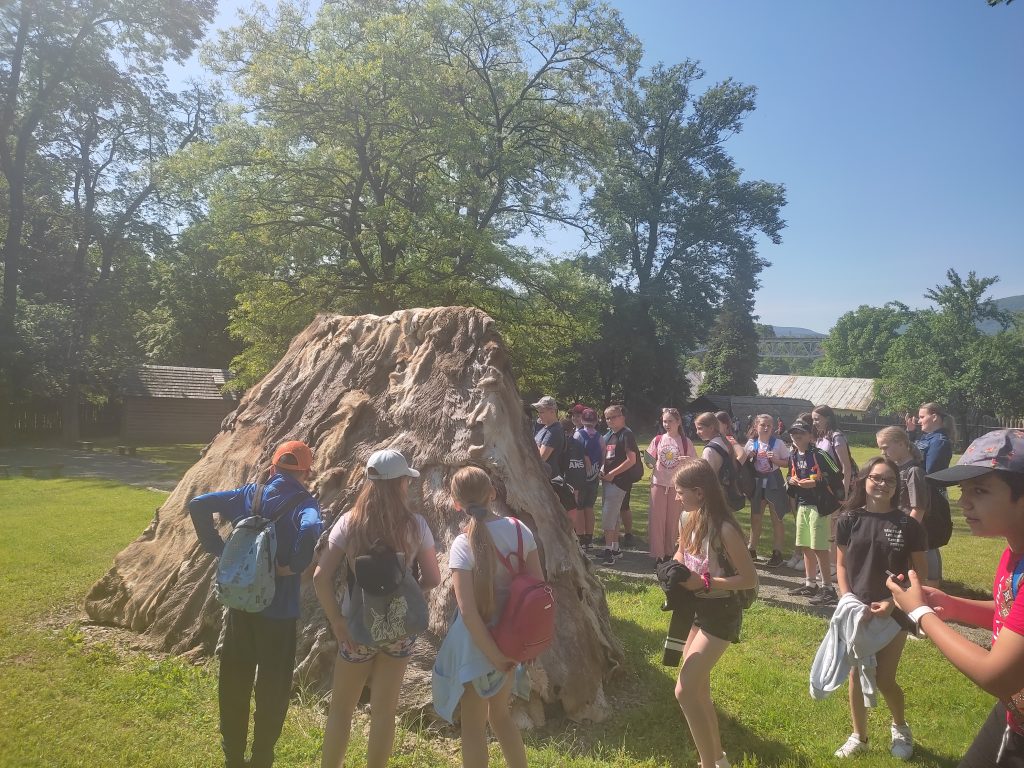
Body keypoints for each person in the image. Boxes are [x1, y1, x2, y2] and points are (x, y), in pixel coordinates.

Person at [886, 429, 1024, 767]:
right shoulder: (1014, 551)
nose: (963, 502)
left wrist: (922, 614)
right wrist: (954, 606)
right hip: (1014, 715)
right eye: (963, 490)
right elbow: (1011, 614)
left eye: (980, 490)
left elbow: (997, 676)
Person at [188, 440, 324, 768]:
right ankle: (262, 756)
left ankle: (233, 756)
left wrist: (219, 549)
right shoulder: (305, 503)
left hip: (241, 606)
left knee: (234, 678)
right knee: (273, 686)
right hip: (280, 613)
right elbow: (311, 527)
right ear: (306, 473)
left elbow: (198, 504)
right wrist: (294, 564)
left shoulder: (249, 494)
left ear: (273, 468)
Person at [313, 450, 441, 768]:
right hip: (398, 630)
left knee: (341, 710)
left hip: (355, 629)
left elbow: (320, 577)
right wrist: (409, 591)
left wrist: (337, 621)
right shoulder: (416, 525)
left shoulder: (350, 523)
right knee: (384, 712)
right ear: (401, 483)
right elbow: (433, 578)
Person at [432, 466, 541, 768]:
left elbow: (468, 612)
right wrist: (516, 651)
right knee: (501, 716)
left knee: (473, 729)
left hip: (476, 647)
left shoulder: (462, 544)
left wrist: (492, 655)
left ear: (456, 503)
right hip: (512, 641)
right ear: (492, 493)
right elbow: (538, 588)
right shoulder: (520, 530)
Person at [833, 456, 927, 759]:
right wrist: (848, 599)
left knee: (885, 677)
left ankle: (900, 728)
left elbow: (920, 574)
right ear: (864, 480)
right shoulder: (848, 519)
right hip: (857, 610)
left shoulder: (908, 525)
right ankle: (859, 736)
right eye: (876, 478)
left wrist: (891, 602)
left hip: (895, 612)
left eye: (890, 480)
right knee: (855, 674)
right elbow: (841, 565)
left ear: (897, 486)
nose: (883, 484)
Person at [670, 457, 758, 768]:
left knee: (684, 691)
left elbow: (749, 579)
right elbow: (681, 551)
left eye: (680, 492)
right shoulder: (687, 517)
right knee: (698, 691)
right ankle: (718, 759)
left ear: (699, 492)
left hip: (722, 612)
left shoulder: (725, 530)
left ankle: (707, 764)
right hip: (695, 609)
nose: (676, 498)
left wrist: (705, 582)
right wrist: (674, 569)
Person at [876, 426, 934, 586]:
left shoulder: (914, 471)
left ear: (901, 443)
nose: (882, 452)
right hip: (894, 529)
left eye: (885, 447)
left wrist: (904, 537)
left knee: (911, 579)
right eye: (880, 448)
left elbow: (918, 509)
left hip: (909, 534)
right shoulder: (895, 469)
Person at [646, 407, 696, 563]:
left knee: (673, 521)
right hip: (658, 483)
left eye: (670, 421)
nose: (667, 424)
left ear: (678, 422)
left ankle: (669, 552)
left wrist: (688, 461)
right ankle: (658, 554)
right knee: (657, 520)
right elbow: (649, 461)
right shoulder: (658, 440)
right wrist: (648, 461)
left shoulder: (686, 442)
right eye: (664, 421)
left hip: (677, 486)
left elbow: (695, 463)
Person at [813, 405, 855, 577]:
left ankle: (834, 565)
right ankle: (826, 563)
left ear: (828, 418)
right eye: (813, 419)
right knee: (825, 526)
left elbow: (846, 467)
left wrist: (843, 493)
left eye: (817, 419)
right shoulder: (820, 438)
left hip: (838, 488)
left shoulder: (836, 437)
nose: (814, 422)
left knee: (835, 526)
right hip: (824, 488)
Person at [744, 414, 791, 567]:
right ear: (756, 426)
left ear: (773, 428)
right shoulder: (751, 443)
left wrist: (775, 460)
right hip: (757, 482)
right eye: (762, 425)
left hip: (774, 481)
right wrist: (749, 456)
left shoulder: (778, 443)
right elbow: (742, 462)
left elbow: (788, 462)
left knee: (777, 517)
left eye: (768, 425)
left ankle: (777, 552)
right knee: (755, 517)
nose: (765, 428)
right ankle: (751, 549)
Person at [598, 404, 639, 566]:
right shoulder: (609, 435)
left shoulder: (626, 434)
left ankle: (608, 551)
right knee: (613, 515)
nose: (610, 420)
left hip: (619, 481)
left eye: (613, 417)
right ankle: (614, 548)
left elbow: (631, 460)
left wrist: (613, 474)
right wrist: (603, 470)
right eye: (607, 418)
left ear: (622, 417)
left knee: (609, 514)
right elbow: (606, 457)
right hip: (608, 480)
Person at [575, 408, 603, 551]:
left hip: (580, 477)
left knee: (579, 508)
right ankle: (589, 538)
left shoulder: (578, 435)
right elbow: (603, 455)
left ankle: (581, 538)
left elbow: (575, 454)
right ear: (596, 421)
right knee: (589, 507)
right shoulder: (599, 436)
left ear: (582, 420)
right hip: (594, 476)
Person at [914, 401, 956, 476]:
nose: (919, 421)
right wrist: (910, 432)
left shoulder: (939, 442)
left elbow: (931, 474)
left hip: (924, 483)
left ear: (934, 417)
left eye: (922, 417)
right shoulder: (927, 437)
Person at [531, 396, 564, 479]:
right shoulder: (546, 428)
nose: (539, 415)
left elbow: (540, 459)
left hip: (547, 480)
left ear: (552, 411)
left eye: (542, 412)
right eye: (538, 412)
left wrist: (529, 443)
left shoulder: (554, 431)